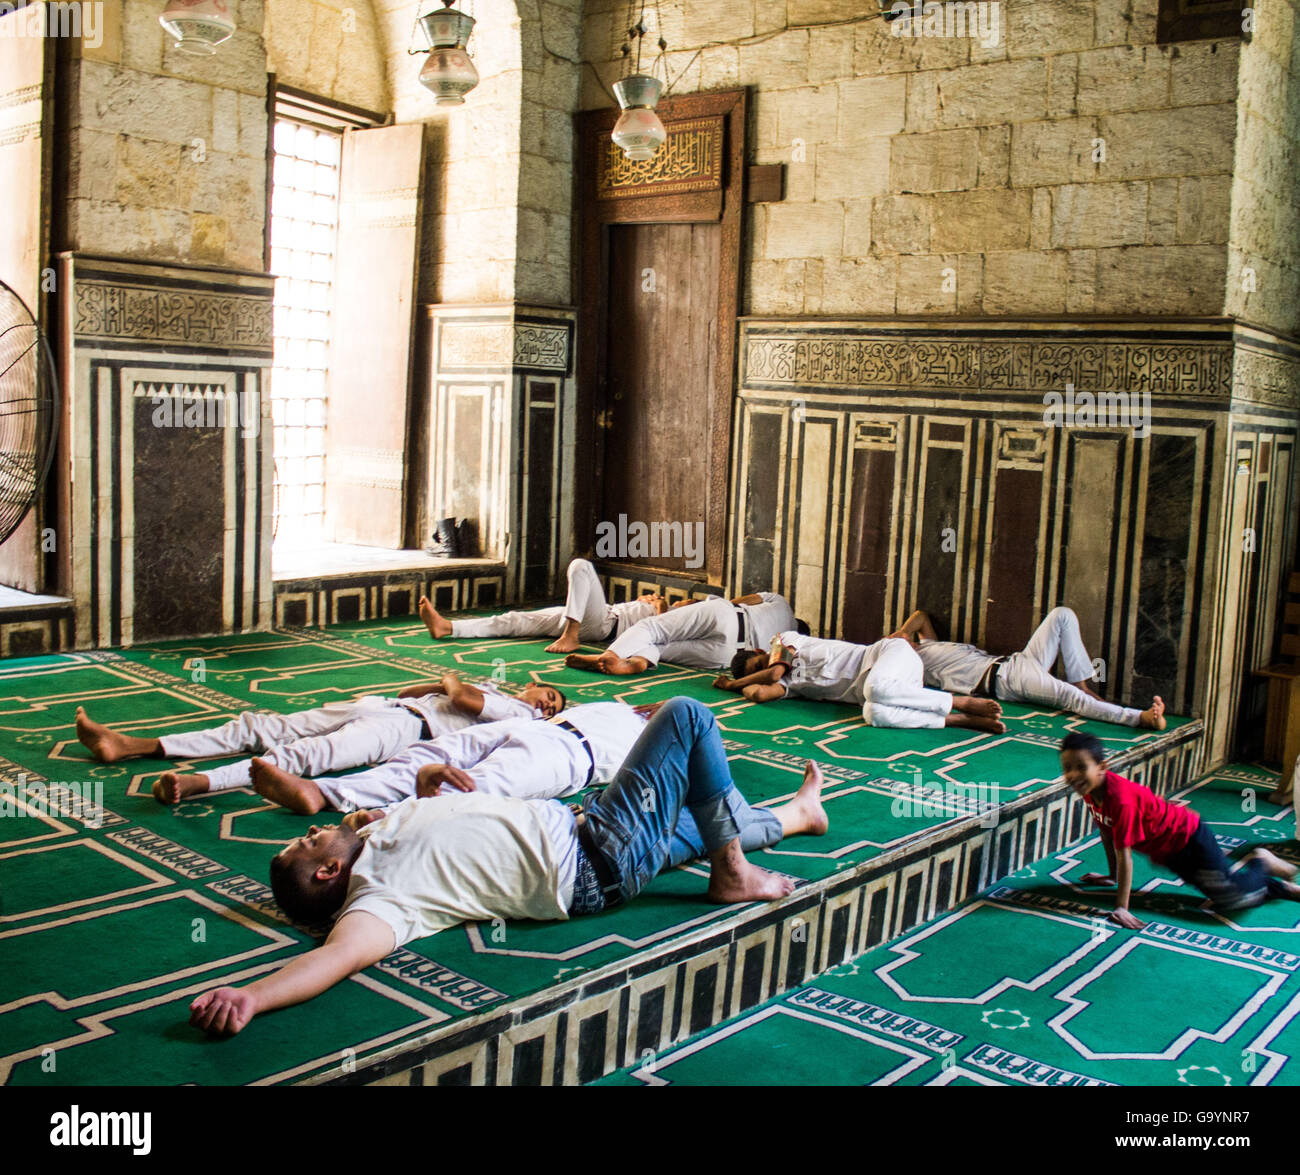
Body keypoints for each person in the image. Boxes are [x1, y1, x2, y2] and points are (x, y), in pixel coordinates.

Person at [188, 697, 829, 1038]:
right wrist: (250, 996)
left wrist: (426, 780)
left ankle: (799, 816)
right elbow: (334, 958)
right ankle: (733, 877)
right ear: (327, 874)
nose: (310, 833)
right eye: (305, 845)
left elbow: (444, 828)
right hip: (596, 853)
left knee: (702, 822)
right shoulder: (378, 900)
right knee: (685, 717)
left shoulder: (375, 838)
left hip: (591, 842)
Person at [74, 674, 563, 805]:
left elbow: (462, 701)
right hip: (385, 708)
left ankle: (202, 781)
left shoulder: (518, 712)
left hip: (406, 730)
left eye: (556, 709)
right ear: (534, 682)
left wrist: (450, 677)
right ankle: (131, 744)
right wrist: (442, 683)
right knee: (259, 725)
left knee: (306, 757)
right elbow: (410, 690)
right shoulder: (501, 689)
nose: (547, 706)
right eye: (549, 696)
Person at [1061, 730, 1300, 927]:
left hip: (1190, 838)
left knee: (1232, 899)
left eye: (1081, 767)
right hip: (1170, 851)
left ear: (1102, 767)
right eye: (1067, 768)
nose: (1073, 775)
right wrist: (1111, 876)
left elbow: (1125, 856)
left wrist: (1122, 908)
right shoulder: (1092, 790)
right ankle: (1284, 887)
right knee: (1222, 894)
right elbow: (1107, 832)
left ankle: (1262, 861)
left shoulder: (1119, 799)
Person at [246, 700, 651, 814]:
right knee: (432, 757)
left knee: (474, 788)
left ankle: (379, 821)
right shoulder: (624, 709)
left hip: (573, 755)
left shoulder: (656, 739)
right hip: (540, 728)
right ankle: (323, 792)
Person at [891, 606, 1167, 729]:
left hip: (1017, 662)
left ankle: (1080, 682)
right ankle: (1137, 718)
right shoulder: (916, 666)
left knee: (1062, 615)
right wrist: (898, 647)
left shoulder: (927, 646)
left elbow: (921, 616)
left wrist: (902, 632)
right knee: (1072, 700)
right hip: (1006, 681)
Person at [715, 631, 1005, 733]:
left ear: (760, 652)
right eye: (756, 669)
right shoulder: (790, 686)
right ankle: (957, 720)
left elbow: (774, 673)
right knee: (873, 712)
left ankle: (958, 701)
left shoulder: (784, 640)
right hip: (895, 690)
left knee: (874, 689)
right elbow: (760, 694)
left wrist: (731, 686)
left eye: (759, 663)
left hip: (890, 656)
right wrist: (740, 686)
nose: (763, 667)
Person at [417, 557, 666, 654]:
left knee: (580, 566)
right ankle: (447, 627)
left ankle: (571, 635)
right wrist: (648, 601)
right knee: (515, 620)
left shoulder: (675, 615)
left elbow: (665, 630)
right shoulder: (662, 605)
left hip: (606, 626)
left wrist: (661, 607)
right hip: (600, 614)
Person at [565, 591, 803, 676]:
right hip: (727, 656)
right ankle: (637, 662)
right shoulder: (793, 642)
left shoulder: (782, 604)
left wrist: (710, 605)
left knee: (654, 628)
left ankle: (612, 654)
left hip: (729, 616)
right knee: (661, 648)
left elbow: (744, 600)